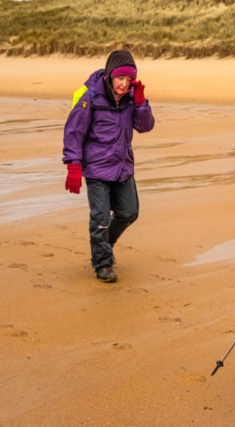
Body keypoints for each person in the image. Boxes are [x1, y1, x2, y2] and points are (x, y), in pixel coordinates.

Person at [62, 50, 155, 283]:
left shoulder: (133, 96)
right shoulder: (90, 96)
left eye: (129, 79)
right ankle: (103, 263)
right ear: (110, 76)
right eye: (120, 78)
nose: (124, 84)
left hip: (123, 165)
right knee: (100, 217)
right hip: (96, 168)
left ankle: (105, 245)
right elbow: (74, 131)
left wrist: (141, 103)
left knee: (129, 213)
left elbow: (145, 127)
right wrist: (73, 166)